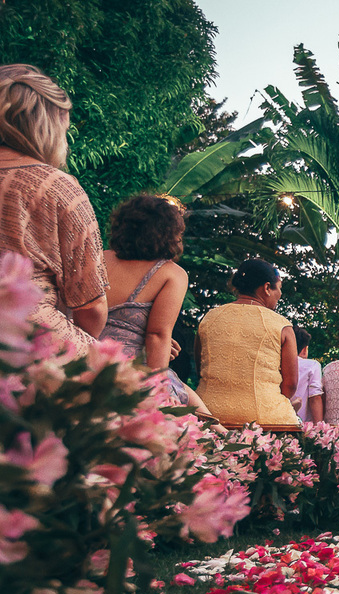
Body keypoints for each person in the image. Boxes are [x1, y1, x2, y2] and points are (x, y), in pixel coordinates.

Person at [0, 64, 107, 352]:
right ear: (47, 125)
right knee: (160, 390)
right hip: (29, 341)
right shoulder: (56, 186)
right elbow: (91, 307)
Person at [98, 194, 197, 404]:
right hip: (125, 370)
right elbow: (157, 335)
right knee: (187, 401)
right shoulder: (171, 274)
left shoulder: (98, 257)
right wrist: (157, 391)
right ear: (170, 234)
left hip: (80, 354)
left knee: (187, 391)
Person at [196, 259, 299, 426]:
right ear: (267, 288)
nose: (279, 295)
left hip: (207, 415)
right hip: (265, 419)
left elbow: (200, 367)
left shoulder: (210, 318)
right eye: (279, 289)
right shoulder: (282, 326)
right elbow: (291, 384)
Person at [291, 326, 324, 424]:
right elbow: (315, 398)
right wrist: (319, 429)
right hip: (303, 426)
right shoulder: (312, 365)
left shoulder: (275, 364)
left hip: (277, 423)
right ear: (305, 349)